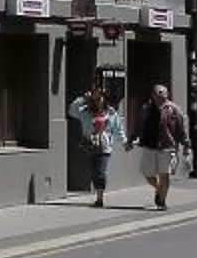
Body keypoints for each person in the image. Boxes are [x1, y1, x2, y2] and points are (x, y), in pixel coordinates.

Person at [133, 83, 189, 209]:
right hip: (149, 145)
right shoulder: (146, 108)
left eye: (163, 93)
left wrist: (186, 144)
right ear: (153, 95)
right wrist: (132, 138)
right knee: (147, 174)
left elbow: (181, 128)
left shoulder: (174, 109)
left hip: (167, 146)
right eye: (158, 93)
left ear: (167, 94)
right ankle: (159, 189)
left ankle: (162, 201)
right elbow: (138, 125)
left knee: (165, 173)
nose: (161, 96)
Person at [67, 78, 120, 207]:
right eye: (95, 96)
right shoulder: (85, 111)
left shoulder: (110, 112)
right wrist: (83, 99)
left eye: (100, 96)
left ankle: (100, 197)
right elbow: (71, 111)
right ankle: (98, 194)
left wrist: (124, 141)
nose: (98, 100)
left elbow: (118, 128)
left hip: (104, 146)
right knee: (94, 172)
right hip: (90, 145)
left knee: (100, 172)